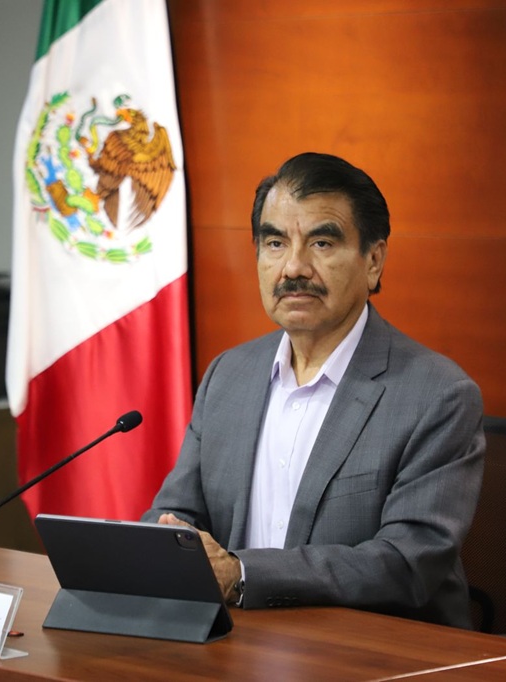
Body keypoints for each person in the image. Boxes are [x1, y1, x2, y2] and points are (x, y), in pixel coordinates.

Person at [142, 152, 485, 628]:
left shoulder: (437, 395)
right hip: (238, 647)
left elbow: (407, 563)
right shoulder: (229, 375)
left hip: (378, 656)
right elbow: (176, 514)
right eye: (276, 242)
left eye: (322, 243)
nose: (294, 267)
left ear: (373, 260)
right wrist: (150, 547)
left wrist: (243, 574)